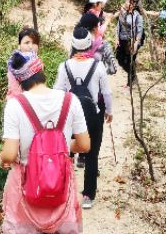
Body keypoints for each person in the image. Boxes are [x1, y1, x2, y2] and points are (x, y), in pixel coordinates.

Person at [0, 50, 90, 234]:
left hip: (26, 186)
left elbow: (9, 154)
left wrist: (3, 158)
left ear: (19, 80)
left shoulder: (15, 105)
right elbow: (84, 145)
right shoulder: (70, 100)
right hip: (60, 185)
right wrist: (64, 148)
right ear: (42, 69)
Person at [54, 26, 113, 210]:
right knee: (92, 154)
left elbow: (58, 92)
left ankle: (64, 192)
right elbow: (106, 93)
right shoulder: (98, 66)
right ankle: (88, 195)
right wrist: (108, 111)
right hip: (93, 115)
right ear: (89, 45)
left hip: (71, 117)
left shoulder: (64, 66)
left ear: (72, 45)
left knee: (67, 153)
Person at [116, 0, 144, 88]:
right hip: (122, 39)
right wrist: (116, 38)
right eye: (127, 1)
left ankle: (130, 83)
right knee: (120, 59)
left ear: (133, 5)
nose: (127, 3)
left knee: (129, 61)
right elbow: (118, 26)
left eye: (130, 2)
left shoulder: (137, 15)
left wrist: (136, 43)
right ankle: (133, 76)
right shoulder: (122, 13)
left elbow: (139, 30)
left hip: (132, 40)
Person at [6, 27, 40, 98]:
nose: (31, 46)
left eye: (34, 43)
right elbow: (15, 89)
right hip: (18, 103)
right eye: (26, 43)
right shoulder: (14, 63)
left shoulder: (37, 62)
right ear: (19, 46)